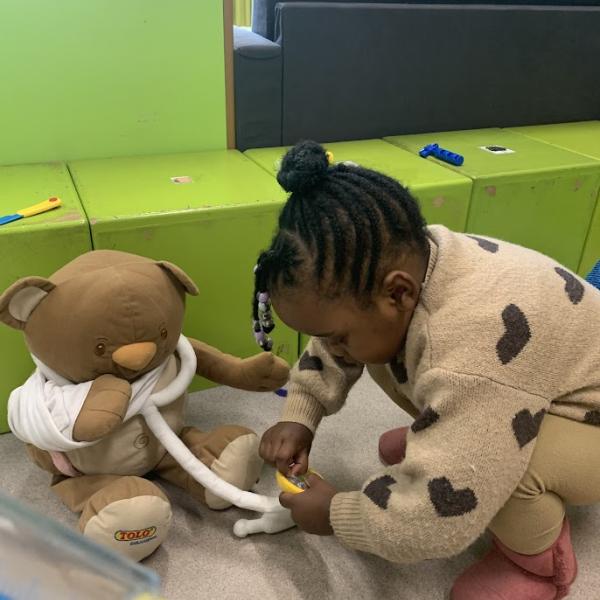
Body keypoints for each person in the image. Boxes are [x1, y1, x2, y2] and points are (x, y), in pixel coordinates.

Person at [251, 140, 600, 600]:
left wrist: (337, 513)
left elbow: (436, 521)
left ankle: (538, 565)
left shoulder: (469, 351)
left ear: (398, 293)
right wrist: (301, 413)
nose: (331, 347)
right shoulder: (401, 259)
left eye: (336, 335)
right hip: (526, 381)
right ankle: (453, 432)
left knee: (499, 464)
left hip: (587, 417)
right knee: (380, 351)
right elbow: (333, 346)